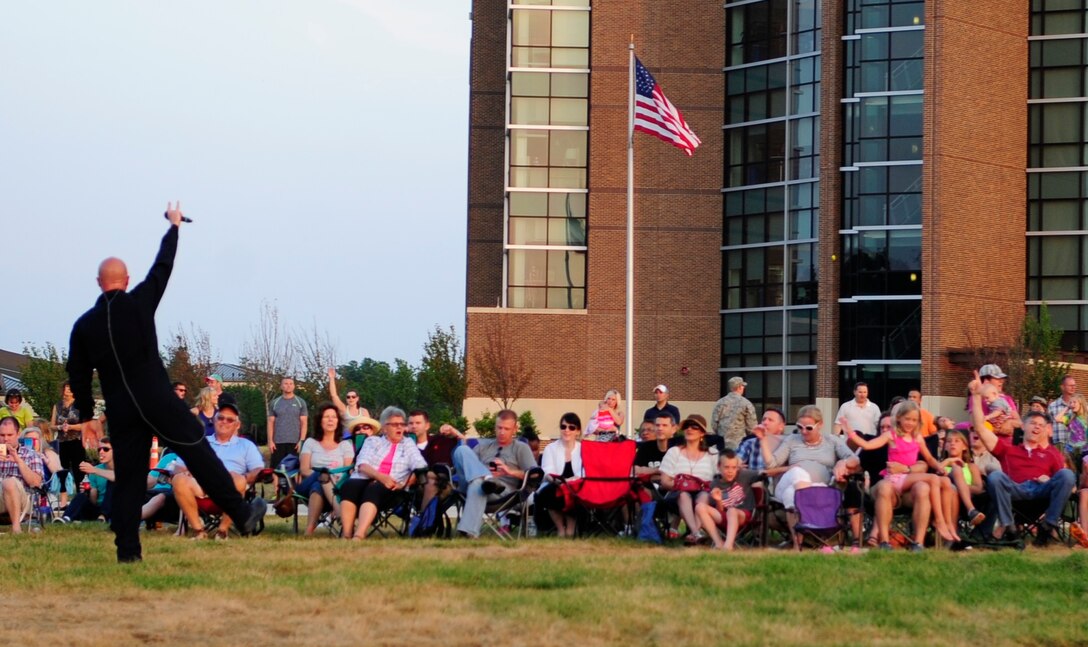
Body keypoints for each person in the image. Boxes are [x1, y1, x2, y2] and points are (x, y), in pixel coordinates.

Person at [66, 205, 265, 562]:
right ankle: (242, 513)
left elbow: (77, 374)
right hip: (157, 399)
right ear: (126, 281)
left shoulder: (83, 326)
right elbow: (163, 267)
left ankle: (128, 552)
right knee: (197, 450)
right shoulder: (139, 302)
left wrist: (87, 416)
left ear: (99, 283)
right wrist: (174, 228)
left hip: (122, 410)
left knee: (128, 477)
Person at [969, 372, 1075, 544]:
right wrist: (975, 396)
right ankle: (1008, 525)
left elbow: (1069, 486)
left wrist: (1048, 479)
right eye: (1032, 423)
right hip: (1015, 490)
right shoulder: (1008, 450)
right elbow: (980, 429)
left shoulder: (1052, 453)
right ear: (1023, 426)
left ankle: (1049, 525)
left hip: (1042, 491)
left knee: (1067, 475)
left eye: (1041, 425)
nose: (1036, 428)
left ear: (1046, 430)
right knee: (995, 476)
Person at [847, 401, 959, 548]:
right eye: (907, 419)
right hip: (894, 479)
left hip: (906, 480)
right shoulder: (891, 435)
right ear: (899, 418)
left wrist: (939, 467)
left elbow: (929, 458)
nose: (910, 423)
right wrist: (849, 431)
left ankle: (932, 533)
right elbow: (867, 445)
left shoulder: (918, 438)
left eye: (914, 420)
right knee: (934, 479)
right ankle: (938, 520)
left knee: (939, 482)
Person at [754, 405, 859, 543]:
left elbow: (855, 459)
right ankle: (810, 514)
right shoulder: (792, 440)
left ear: (820, 424)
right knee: (797, 472)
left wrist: (842, 463)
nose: (803, 431)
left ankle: (799, 544)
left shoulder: (832, 441)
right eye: (800, 427)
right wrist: (762, 440)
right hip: (788, 483)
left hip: (819, 489)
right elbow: (771, 464)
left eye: (808, 428)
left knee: (791, 495)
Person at [171, 397, 265, 540]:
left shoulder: (245, 445)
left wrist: (245, 478)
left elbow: (258, 469)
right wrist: (186, 470)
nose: (224, 422)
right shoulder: (201, 441)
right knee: (179, 479)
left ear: (237, 425)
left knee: (238, 480)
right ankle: (198, 531)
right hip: (201, 484)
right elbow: (178, 465)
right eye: (220, 418)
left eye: (229, 420)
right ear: (214, 421)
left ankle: (222, 531)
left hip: (231, 486)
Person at [443, 409, 537, 538]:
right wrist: (485, 475)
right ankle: (486, 477)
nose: (502, 432)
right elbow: (467, 463)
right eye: (499, 428)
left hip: (501, 492)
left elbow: (534, 475)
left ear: (515, 429)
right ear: (495, 427)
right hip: (470, 487)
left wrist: (509, 471)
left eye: (506, 429)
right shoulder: (483, 446)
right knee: (462, 450)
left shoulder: (521, 448)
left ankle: (468, 533)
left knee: (478, 483)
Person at [339, 407, 427, 540]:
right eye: (394, 424)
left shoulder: (408, 444)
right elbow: (362, 465)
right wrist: (380, 477)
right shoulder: (373, 441)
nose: (399, 427)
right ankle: (346, 534)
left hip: (392, 487)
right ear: (385, 428)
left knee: (374, 489)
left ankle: (359, 534)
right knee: (350, 486)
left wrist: (404, 483)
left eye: (402, 424)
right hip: (366, 478)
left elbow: (420, 466)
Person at [659, 414, 718, 544]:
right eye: (686, 426)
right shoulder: (674, 452)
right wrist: (684, 484)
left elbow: (718, 480)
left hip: (705, 494)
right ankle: (696, 533)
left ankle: (694, 534)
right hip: (677, 495)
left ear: (702, 432)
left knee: (703, 495)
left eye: (694, 427)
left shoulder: (713, 454)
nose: (689, 429)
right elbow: (665, 481)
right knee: (684, 495)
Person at [297, 403, 354, 536]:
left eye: (333, 417)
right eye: (326, 417)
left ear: (338, 422)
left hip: (336, 486)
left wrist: (329, 479)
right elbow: (304, 470)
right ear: (319, 420)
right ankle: (339, 512)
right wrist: (323, 474)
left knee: (319, 485)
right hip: (307, 484)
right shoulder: (310, 442)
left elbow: (347, 472)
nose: (330, 420)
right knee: (321, 476)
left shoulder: (345, 445)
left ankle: (309, 530)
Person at [693, 450, 760, 550]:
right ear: (718, 467)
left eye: (734, 467)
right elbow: (720, 511)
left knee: (732, 511)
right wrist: (718, 500)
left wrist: (787, 468)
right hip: (726, 516)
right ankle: (718, 542)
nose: (730, 471)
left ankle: (728, 546)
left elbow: (765, 473)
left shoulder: (744, 475)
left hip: (743, 515)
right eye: (726, 467)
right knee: (699, 506)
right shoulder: (714, 484)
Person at [537, 413, 583, 538]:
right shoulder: (550, 448)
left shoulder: (584, 449)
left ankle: (571, 528)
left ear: (577, 431)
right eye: (563, 427)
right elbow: (547, 471)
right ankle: (560, 529)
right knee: (550, 493)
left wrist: (571, 481)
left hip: (576, 486)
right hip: (555, 484)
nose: (567, 430)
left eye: (571, 427)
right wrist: (560, 482)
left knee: (574, 493)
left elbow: (585, 472)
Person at [0, 416, 45, 533]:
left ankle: (16, 528)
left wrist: (18, 460)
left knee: (9, 482)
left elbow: (36, 483)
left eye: (10, 435)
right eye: (2, 435)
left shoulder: (31, 454)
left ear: (18, 434)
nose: (5, 439)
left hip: (23, 499)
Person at [938, 430, 985, 528]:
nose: (952, 443)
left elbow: (978, 489)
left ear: (964, 447)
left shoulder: (971, 466)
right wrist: (948, 461)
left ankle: (969, 510)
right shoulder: (940, 464)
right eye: (949, 441)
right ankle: (971, 511)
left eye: (957, 441)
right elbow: (935, 475)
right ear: (945, 447)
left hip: (968, 498)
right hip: (944, 497)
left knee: (956, 470)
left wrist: (960, 485)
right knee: (955, 470)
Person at [62, 438, 115, 523]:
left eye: (106, 449)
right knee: (81, 495)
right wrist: (88, 491)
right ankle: (65, 518)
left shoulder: (123, 466)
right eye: (99, 449)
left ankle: (103, 516)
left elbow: (121, 477)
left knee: (112, 482)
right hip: (98, 509)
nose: (101, 452)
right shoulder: (96, 469)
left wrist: (95, 470)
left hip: (118, 508)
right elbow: (93, 500)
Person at [267, 376, 308, 484]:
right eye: (285, 383)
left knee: (295, 469)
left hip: (295, 442)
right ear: (281, 386)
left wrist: (301, 441)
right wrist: (270, 441)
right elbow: (271, 423)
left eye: (290, 383)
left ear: (294, 386)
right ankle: (277, 495)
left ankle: (295, 494)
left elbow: (304, 423)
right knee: (276, 470)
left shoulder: (300, 402)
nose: (288, 385)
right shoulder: (275, 403)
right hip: (278, 442)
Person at [50, 382, 87, 496]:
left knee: (79, 471)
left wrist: (71, 427)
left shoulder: (80, 404)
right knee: (62, 471)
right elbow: (51, 425)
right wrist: (60, 427)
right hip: (62, 442)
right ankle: (63, 499)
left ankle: (82, 497)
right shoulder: (57, 406)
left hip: (76, 441)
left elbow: (85, 425)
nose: (69, 389)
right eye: (67, 387)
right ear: (63, 389)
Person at [736, 408, 788, 475]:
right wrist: (736, 464)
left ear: (781, 426)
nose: (765, 422)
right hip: (754, 481)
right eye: (764, 419)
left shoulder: (788, 443)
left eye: (770, 420)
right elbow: (736, 462)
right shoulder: (750, 442)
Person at [710, 376, 757, 450]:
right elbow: (752, 427)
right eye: (742, 386)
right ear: (739, 387)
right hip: (739, 445)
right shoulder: (746, 404)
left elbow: (714, 424)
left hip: (721, 444)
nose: (743, 388)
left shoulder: (720, 402)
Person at [326, 367, 370, 433]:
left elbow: (369, 427)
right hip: (347, 439)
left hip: (361, 438)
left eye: (353, 397)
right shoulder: (343, 409)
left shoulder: (364, 411)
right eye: (348, 397)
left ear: (357, 398)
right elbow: (334, 396)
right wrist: (332, 378)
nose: (351, 398)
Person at [1048, 375, 1078, 447]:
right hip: (1058, 445)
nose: (1073, 387)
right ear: (1062, 387)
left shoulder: (1080, 406)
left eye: (1074, 385)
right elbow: (1048, 426)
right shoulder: (1053, 406)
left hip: (1076, 447)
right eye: (1070, 385)